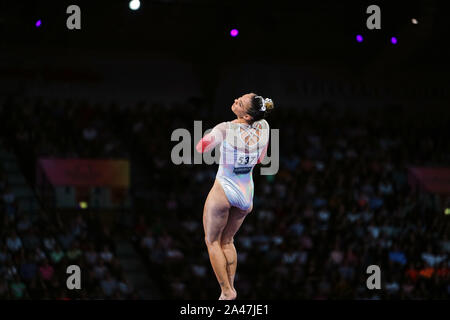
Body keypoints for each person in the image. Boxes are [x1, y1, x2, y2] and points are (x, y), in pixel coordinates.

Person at [196, 93, 274, 300]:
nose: (235, 100)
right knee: (228, 241)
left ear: (248, 116)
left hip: (225, 187)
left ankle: (226, 290)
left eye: (239, 102)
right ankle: (231, 289)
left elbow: (201, 148)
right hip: (246, 191)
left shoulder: (225, 128)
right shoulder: (264, 127)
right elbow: (262, 159)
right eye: (240, 97)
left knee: (212, 241)